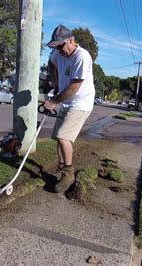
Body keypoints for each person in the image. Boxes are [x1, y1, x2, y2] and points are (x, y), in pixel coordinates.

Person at [44, 24, 95, 193]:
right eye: (56, 47)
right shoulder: (58, 54)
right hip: (66, 101)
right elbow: (50, 63)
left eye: (61, 45)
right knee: (58, 138)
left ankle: (68, 173)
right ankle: (61, 168)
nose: (59, 50)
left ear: (71, 40)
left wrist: (54, 101)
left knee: (64, 137)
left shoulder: (82, 57)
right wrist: (55, 82)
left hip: (81, 103)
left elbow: (74, 87)